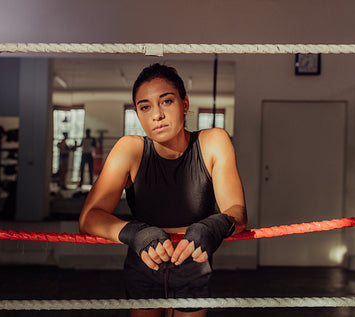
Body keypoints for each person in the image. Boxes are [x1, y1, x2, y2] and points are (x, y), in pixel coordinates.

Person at [79, 63, 247, 317]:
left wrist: (213, 226)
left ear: (185, 104)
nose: (156, 114)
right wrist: (135, 233)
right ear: (138, 114)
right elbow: (88, 218)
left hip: (194, 261)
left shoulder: (213, 142)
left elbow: (238, 213)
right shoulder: (130, 149)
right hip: (145, 260)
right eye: (145, 107)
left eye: (166, 101)